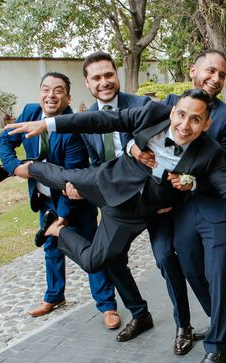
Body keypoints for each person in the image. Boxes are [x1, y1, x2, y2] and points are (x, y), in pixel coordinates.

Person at [7, 89, 226, 363]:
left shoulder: (210, 153)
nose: (185, 125)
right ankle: (28, 168)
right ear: (173, 111)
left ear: (207, 125)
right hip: (112, 181)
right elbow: (101, 120)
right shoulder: (152, 113)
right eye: (182, 115)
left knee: (110, 260)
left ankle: (56, 229)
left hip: (144, 212)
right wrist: (48, 124)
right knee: (62, 177)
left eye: (196, 120)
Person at [131, 49, 226, 361]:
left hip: (208, 205)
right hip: (174, 208)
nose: (215, 78)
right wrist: (133, 148)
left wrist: (188, 182)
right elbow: (139, 132)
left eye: (221, 74)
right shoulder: (170, 104)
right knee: (189, 268)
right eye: (210, 71)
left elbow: (224, 174)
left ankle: (218, 344)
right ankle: (223, 319)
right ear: (193, 70)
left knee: (217, 271)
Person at [0, 72, 118, 321]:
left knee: (90, 252)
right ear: (39, 92)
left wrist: (62, 216)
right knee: (51, 248)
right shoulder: (30, 112)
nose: (51, 95)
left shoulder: (73, 126)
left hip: (74, 200)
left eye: (58, 90)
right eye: (46, 89)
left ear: (68, 97)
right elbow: (3, 141)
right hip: (44, 200)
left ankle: (107, 306)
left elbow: (69, 178)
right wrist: (15, 167)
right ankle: (54, 296)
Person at [64, 51, 151, 329]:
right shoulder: (86, 121)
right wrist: (81, 187)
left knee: (170, 258)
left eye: (109, 75)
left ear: (117, 75)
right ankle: (140, 315)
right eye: (97, 78)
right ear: (88, 84)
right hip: (115, 203)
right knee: (112, 259)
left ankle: (195, 320)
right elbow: (95, 163)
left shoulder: (142, 105)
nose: (104, 82)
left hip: (151, 198)